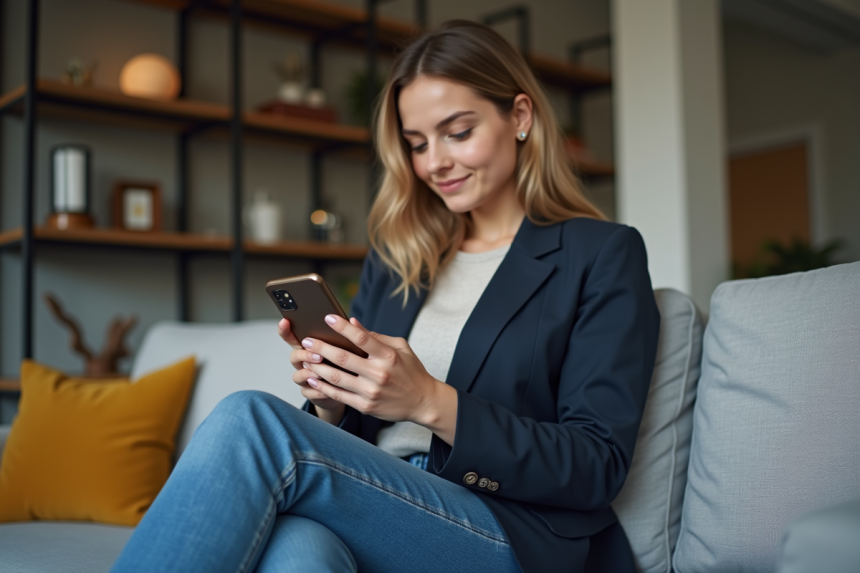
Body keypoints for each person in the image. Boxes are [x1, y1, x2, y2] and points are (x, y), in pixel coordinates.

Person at [111, 19, 660, 573]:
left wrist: (429, 401)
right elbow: (358, 433)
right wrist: (330, 401)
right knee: (297, 553)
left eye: (458, 132)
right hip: (381, 505)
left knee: (248, 419)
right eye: (417, 144)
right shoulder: (400, 257)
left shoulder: (600, 253)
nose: (434, 162)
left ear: (519, 116)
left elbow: (597, 465)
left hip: (511, 530)